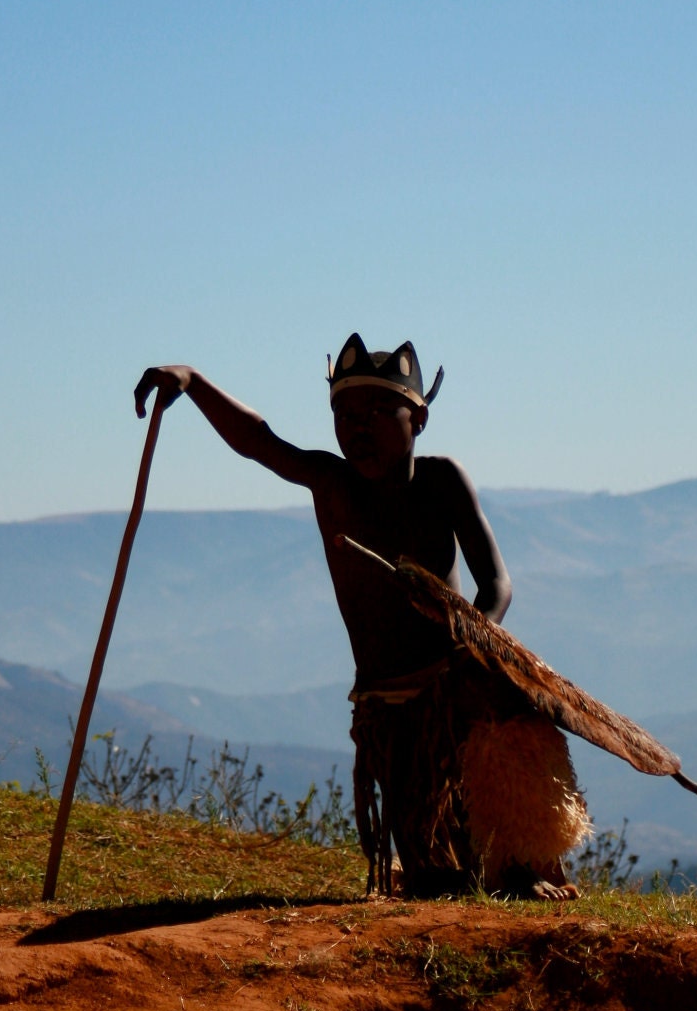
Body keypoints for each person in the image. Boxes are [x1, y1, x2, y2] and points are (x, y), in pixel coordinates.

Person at [134, 333, 589, 899]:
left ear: (417, 420)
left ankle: (523, 864)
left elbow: (496, 581)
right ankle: (462, 872)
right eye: (344, 414)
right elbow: (258, 441)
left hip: (458, 680)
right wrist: (194, 381)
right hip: (388, 705)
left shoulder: (443, 481)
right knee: (438, 880)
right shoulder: (331, 482)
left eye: (377, 411)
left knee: (508, 713)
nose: (358, 427)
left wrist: (477, 639)